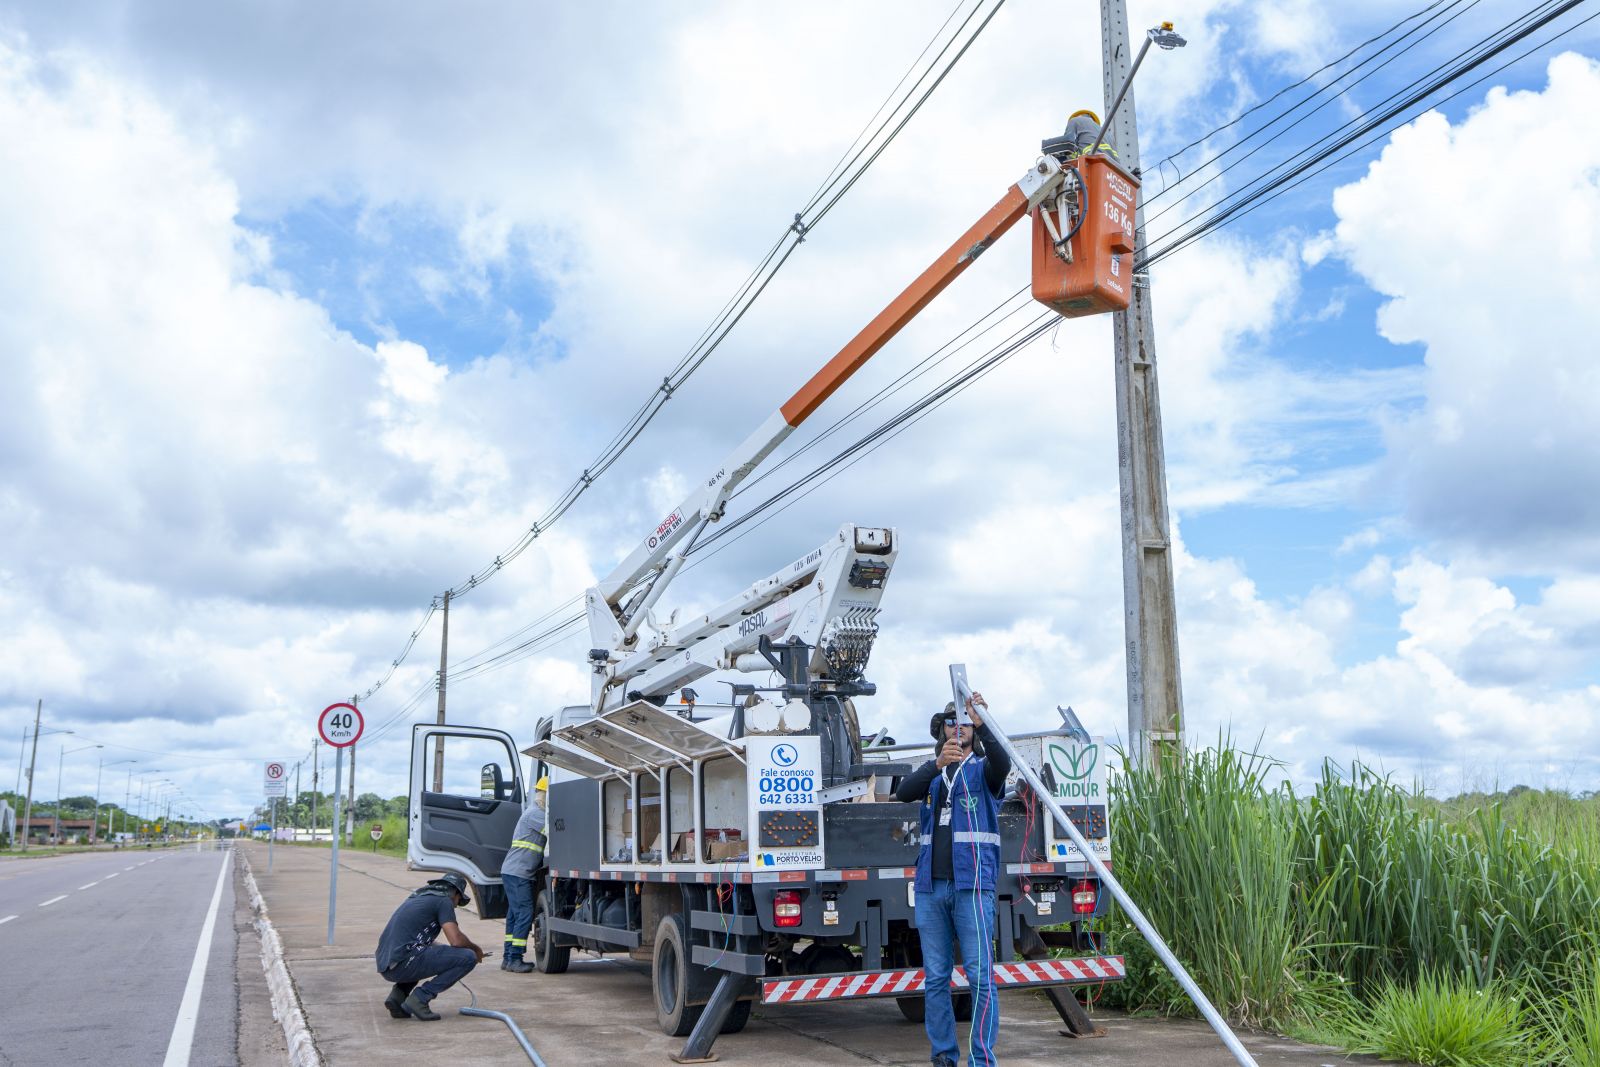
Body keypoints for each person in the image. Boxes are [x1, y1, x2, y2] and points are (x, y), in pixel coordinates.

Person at [894, 692, 1011, 1067]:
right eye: (950, 722)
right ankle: (943, 1057)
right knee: (935, 979)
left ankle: (981, 1059)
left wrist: (984, 722)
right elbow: (902, 792)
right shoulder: (932, 775)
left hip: (972, 887)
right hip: (931, 888)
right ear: (940, 730)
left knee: (979, 977)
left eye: (964, 723)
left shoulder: (983, 771)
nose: (957, 728)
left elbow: (1003, 763)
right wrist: (936, 764)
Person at [374, 871, 485, 1021]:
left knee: (426, 953)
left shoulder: (419, 897)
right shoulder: (443, 901)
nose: (456, 905)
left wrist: (443, 952)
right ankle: (420, 999)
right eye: (458, 901)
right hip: (404, 961)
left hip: (387, 964)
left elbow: (416, 939)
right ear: (455, 893)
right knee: (468, 957)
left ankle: (398, 997)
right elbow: (456, 940)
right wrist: (476, 949)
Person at [500, 775, 549, 972]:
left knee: (514, 915)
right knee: (524, 913)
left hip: (514, 872)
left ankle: (507, 957)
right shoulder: (536, 814)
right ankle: (514, 959)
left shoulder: (533, 812)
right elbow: (555, 830)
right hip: (519, 873)